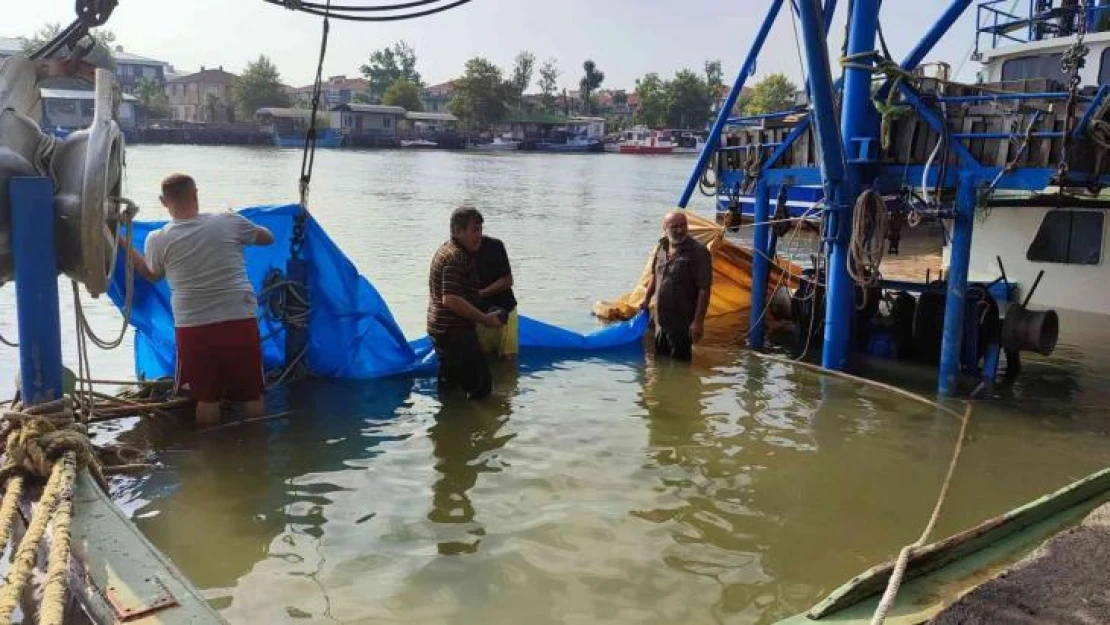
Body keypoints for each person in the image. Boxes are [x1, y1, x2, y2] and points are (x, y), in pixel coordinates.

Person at [121, 173, 274, 425]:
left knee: (206, 398)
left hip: (194, 326)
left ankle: (208, 455)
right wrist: (240, 219)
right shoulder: (228, 221)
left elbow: (151, 275)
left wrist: (123, 242)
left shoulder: (158, 238)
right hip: (238, 319)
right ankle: (257, 445)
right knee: (252, 393)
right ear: (196, 194)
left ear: (163, 201)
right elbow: (268, 238)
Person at [427, 206, 504, 399]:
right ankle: (477, 426)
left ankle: (449, 422)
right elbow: (451, 299)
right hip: (455, 333)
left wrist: (486, 309)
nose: (479, 236)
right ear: (458, 231)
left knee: (451, 387)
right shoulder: (455, 257)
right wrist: (485, 319)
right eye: (474, 230)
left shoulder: (449, 250)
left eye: (480, 229)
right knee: (482, 389)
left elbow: (458, 295)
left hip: (442, 329)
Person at [641, 211, 712, 361]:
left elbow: (704, 289)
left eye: (683, 225)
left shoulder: (698, 252)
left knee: (681, 367)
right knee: (660, 363)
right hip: (661, 320)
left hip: (683, 323)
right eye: (675, 227)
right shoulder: (661, 248)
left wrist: (698, 323)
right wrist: (646, 299)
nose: (680, 230)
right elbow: (654, 275)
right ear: (665, 228)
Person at [476, 234, 518, 359]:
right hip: (477, 314)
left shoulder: (494, 246)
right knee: (482, 359)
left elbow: (507, 280)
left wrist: (480, 293)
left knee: (508, 361)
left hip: (504, 311)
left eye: (478, 230)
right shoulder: (456, 253)